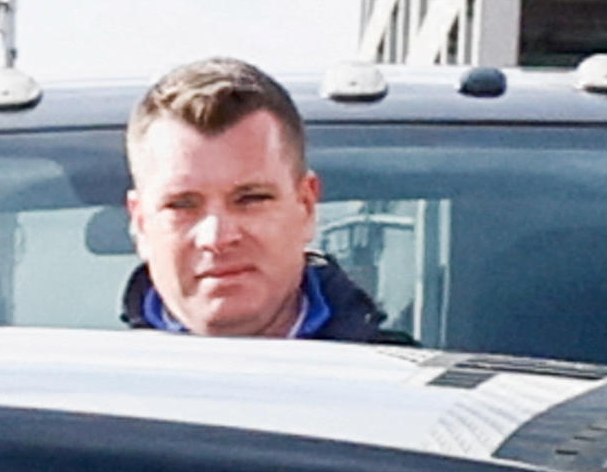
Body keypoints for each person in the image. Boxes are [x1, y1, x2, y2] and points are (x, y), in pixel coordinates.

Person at [118, 59, 409, 342]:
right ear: (141, 223)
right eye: (182, 205)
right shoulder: (88, 385)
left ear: (306, 206)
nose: (216, 238)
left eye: (250, 199)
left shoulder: (405, 386)